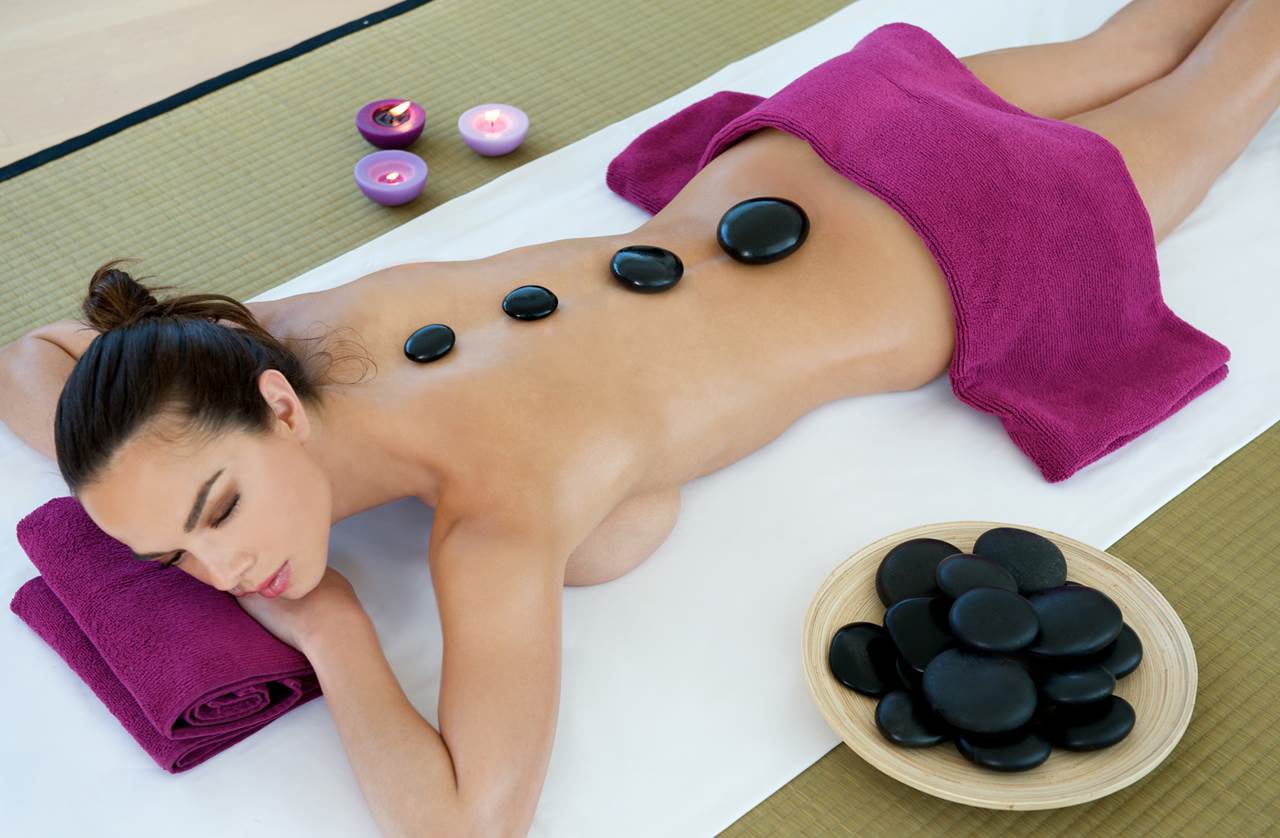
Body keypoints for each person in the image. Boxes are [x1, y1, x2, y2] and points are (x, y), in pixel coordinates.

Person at [0, 0, 1274, 834]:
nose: (226, 571)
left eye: (217, 508)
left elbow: (466, 821)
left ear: (276, 411)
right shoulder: (277, 340)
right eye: (172, 554)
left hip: (970, 240)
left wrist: (336, 633)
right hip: (812, 144)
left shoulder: (497, 512)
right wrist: (169, 486)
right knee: (1141, 40)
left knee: (1230, 81)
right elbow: (41, 356)